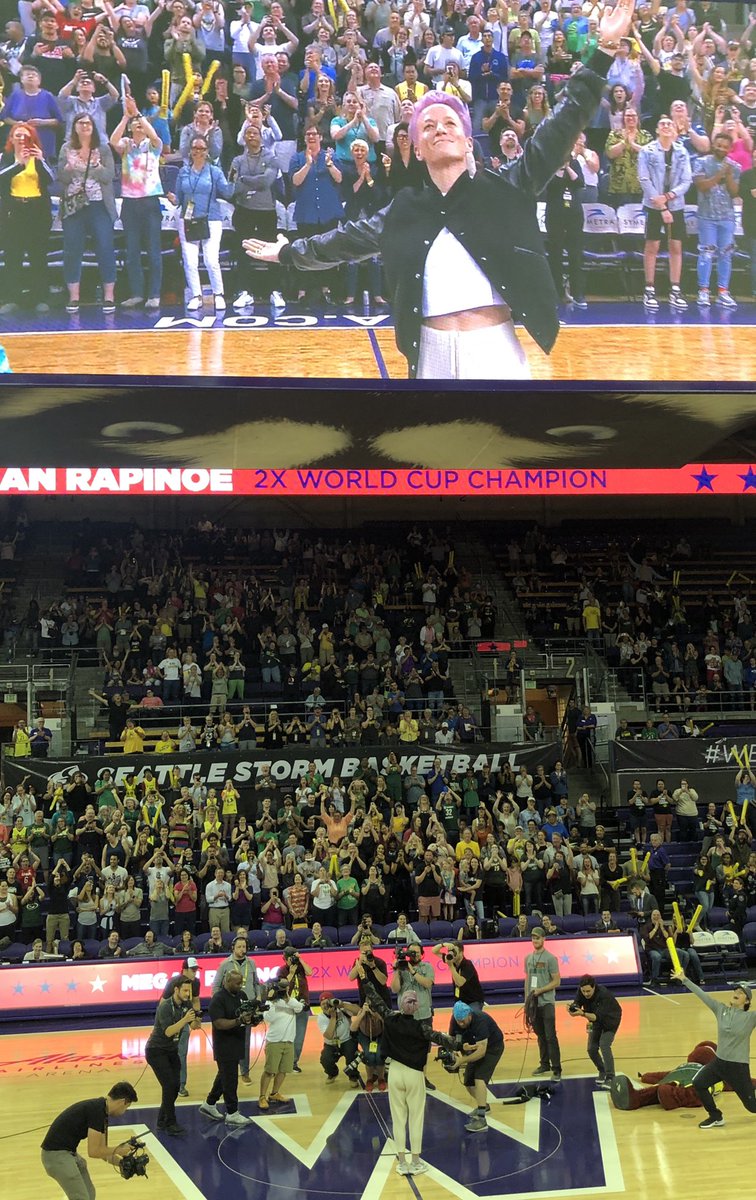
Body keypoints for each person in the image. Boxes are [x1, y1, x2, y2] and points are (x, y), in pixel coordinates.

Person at [244, 0, 638, 379]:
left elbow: (564, 122)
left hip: (496, 351)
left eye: (450, 124)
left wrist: (603, 49)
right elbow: (341, 243)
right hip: (430, 356)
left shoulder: (508, 185)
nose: (439, 129)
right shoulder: (403, 210)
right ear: (417, 149)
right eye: (427, 126)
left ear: (469, 142)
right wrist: (289, 252)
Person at [673, 971, 756, 1129]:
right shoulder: (721, 1010)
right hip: (719, 1063)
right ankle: (716, 1116)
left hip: (737, 1067)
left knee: (752, 1107)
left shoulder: (751, 1018)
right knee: (699, 1083)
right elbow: (703, 995)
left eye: (741, 993)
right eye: (736, 991)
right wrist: (685, 979)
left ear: (747, 1001)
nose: (737, 993)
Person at [56, 112, 117, 313]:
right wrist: (69, 166)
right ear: (74, 127)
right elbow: (61, 179)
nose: (85, 126)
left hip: (99, 204)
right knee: (72, 249)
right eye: (81, 123)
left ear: (93, 126)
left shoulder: (103, 149)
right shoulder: (66, 148)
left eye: (88, 123)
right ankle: (74, 297)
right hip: (74, 206)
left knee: (105, 247)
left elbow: (110, 176)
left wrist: (96, 166)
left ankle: (109, 296)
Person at [109, 96, 164, 309]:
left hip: (150, 201)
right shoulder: (126, 144)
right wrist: (125, 117)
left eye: (140, 123)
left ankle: (154, 294)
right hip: (130, 202)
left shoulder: (153, 146)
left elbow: (155, 135)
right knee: (132, 251)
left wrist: (139, 115)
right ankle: (137, 293)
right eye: (135, 124)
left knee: (153, 250)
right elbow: (113, 140)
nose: (138, 125)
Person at [41, 1082, 138, 1200]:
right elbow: (93, 1152)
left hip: (67, 1154)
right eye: (126, 1107)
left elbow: (104, 1153)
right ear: (122, 1102)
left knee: (89, 1194)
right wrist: (118, 1149)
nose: (124, 1111)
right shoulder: (97, 1111)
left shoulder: (102, 1111)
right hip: (56, 1156)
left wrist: (122, 1163)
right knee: (81, 1198)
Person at [171, 133, 234, 312]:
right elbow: (179, 199)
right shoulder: (183, 172)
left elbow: (228, 192)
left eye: (202, 148)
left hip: (211, 219)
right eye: (195, 148)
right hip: (188, 220)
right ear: (190, 151)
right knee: (190, 261)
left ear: (207, 152)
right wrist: (173, 199)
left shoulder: (214, 172)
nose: (198, 151)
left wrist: (235, 179)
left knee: (211, 260)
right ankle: (196, 295)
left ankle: (218, 294)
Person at [636, 115, 692, 312]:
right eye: (663, 124)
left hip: (675, 203)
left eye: (670, 124)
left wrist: (668, 197)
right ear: (657, 130)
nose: (666, 126)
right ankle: (649, 289)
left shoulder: (682, 152)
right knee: (653, 245)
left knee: (676, 246)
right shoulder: (647, 151)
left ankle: (675, 289)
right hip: (653, 204)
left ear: (675, 129)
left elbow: (687, 181)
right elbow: (644, 179)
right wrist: (661, 205)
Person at [0, 123, 54, 315]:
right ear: (11, 138)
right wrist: (18, 165)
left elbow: (50, 180)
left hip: (36, 211)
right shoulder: (5, 158)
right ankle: (11, 298)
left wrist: (40, 160)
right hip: (13, 211)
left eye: (26, 136)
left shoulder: (38, 158)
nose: (22, 139)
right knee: (12, 256)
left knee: (38, 255)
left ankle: (40, 297)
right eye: (18, 135)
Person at [144, 978, 202, 1135]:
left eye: (189, 991)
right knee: (169, 1085)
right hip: (156, 1050)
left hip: (171, 1050)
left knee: (175, 1086)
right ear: (176, 990)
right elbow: (168, 1032)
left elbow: (194, 1026)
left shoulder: (187, 1005)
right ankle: (170, 1123)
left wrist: (197, 1020)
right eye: (184, 990)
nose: (187, 994)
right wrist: (185, 1020)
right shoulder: (165, 1007)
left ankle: (162, 1119)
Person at [199, 967, 255, 1127]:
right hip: (223, 1045)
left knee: (224, 1075)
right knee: (230, 1080)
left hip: (237, 1042)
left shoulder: (242, 995)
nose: (240, 986)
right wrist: (239, 1021)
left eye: (241, 983)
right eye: (237, 983)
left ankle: (209, 1104)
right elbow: (219, 1023)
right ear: (227, 982)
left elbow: (247, 1013)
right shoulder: (218, 999)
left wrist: (252, 1018)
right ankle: (232, 1113)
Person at [693, 130, 741, 310]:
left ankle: (723, 291)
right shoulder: (701, 162)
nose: (721, 149)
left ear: (729, 149)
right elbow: (702, 186)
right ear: (713, 145)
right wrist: (720, 174)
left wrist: (728, 175)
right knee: (706, 253)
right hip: (707, 217)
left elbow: (734, 192)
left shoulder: (734, 166)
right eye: (718, 145)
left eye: (725, 147)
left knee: (726, 254)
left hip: (727, 217)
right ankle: (703, 290)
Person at [212, 935, 261, 1083]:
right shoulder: (225, 964)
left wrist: (258, 997)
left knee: (245, 1040)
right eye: (239, 947)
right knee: (230, 1038)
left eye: (244, 947)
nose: (242, 949)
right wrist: (218, 1002)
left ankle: (244, 1071)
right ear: (233, 948)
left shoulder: (252, 963)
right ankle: (227, 1068)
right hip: (230, 1006)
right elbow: (216, 985)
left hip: (248, 1004)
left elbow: (257, 983)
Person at [568, 974, 622, 1088]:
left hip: (609, 1020)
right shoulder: (581, 991)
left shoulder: (603, 994)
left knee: (604, 1044)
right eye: (583, 991)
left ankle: (611, 1077)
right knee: (591, 1049)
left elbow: (597, 1017)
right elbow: (577, 1002)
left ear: (594, 987)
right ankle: (602, 1071)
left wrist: (582, 1013)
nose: (586, 994)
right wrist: (573, 1007)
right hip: (593, 1020)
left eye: (588, 991)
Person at [258, 979, 303, 1110]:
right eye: (282, 988)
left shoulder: (291, 1001)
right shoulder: (270, 1002)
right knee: (270, 1071)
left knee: (284, 1070)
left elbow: (299, 1008)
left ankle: (274, 1093)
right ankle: (262, 1096)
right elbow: (268, 1018)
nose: (284, 990)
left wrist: (287, 998)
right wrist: (272, 1001)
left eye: (286, 988)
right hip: (274, 1041)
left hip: (289, 1040)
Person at [524, 925, 562, 1080]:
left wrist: (541, 990)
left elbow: (557, 981)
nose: (535, 940)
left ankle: (557, 1068)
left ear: (544, 939)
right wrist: (527, 1000)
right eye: (533, 938)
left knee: (550, 1036)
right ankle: (544, 1063)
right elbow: (527, 980)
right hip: (533, 1004)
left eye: (538, 937)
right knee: (540, 1035)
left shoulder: (550, 958)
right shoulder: (528, 958)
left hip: (547, 1002)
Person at [161, 958, 201, 1098]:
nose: (195, 973)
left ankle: (181, 1085)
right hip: (171, 1023)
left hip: (184, 1022)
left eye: (196, 970)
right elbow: (163, 1003)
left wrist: (197, 1016)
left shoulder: (196, 983)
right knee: (168, 1053)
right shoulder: (173, 982)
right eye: (193, 970)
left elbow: (195, 1000)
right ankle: (169, 1082)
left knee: (181, 1054)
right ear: (184, 970)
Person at [317, 992, 361, 1084]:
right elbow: (328, 1035)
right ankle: (332, 1073)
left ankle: (353, 1076)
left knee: (351, 1056)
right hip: (331, 1044)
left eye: (327, 1002)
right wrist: (333, 1017)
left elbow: (358, 1011)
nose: (326, 1006)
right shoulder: (321, 1017)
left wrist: (342, 1004)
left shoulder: (342, 1008)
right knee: (325, 1059)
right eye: (322, 1004)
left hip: (347, 1040)